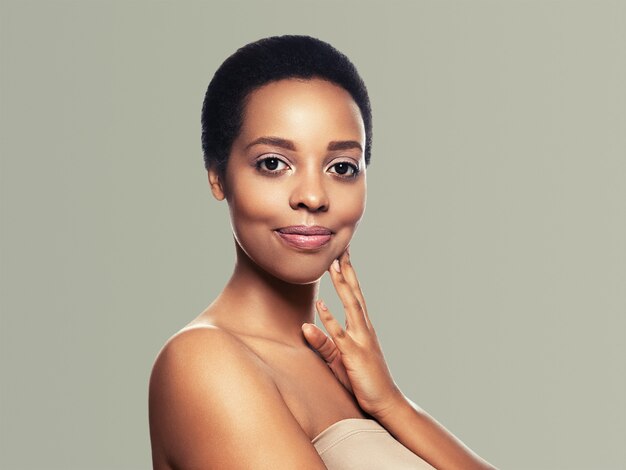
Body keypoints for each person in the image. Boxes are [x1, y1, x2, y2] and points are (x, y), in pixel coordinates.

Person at [148, 35, 496, 470]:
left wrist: (393, 405)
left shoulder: (346, 373)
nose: (313, 196)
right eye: (273, 163)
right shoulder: (204, 363)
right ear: (218, 176)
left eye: (341, 168)